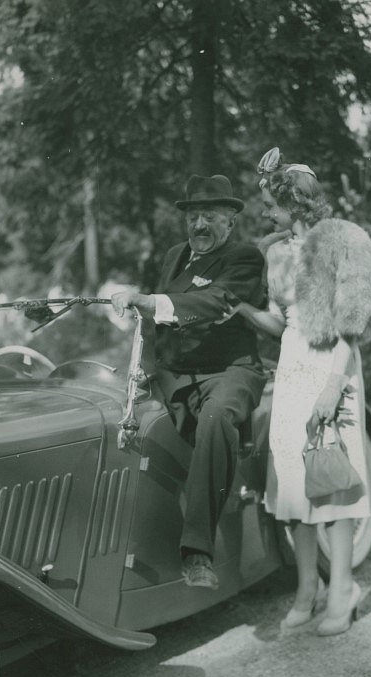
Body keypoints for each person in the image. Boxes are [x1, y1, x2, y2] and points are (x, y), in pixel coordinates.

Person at [221, 147, 371, 635]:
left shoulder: (343, 244)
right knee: (294, 486)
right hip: (292, 368)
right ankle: (307, 589)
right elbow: (282, 322)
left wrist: (332, 389)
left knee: (329, 480)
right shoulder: (276, 252)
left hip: (333, 366)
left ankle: (343, 589)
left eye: (271, 203)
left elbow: (350, 330)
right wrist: (243, 311)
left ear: (295, 202)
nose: (265, 211)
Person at [111, 174, 266, 590]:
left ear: (231, 221)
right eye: (194, 216)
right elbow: (158, 324)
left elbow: (216, 302)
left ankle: (197, 553)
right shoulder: (175, 256)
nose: (199, 226)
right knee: (116, 415)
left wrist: (150, 300)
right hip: (176, 376)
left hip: (230, 372)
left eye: (211, 217)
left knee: (217, 419)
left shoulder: (245, 258)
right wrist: (143, 367)